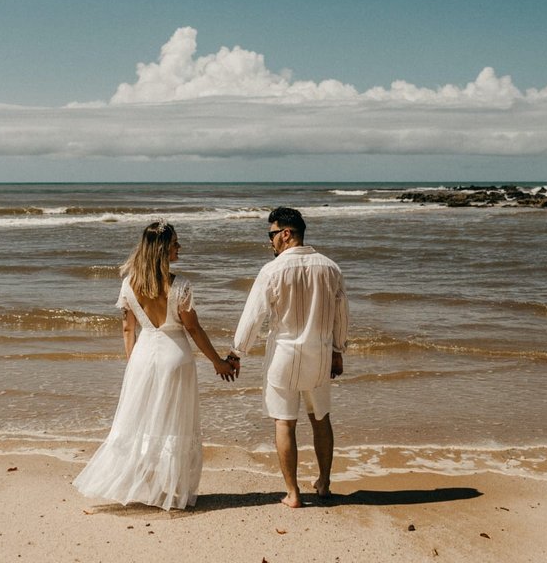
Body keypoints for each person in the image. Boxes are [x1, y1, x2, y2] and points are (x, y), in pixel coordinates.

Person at [73, 220, 236, 511]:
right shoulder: (180, 286)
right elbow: (194, 330)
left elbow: (127, 329)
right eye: (175, 243)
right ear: (162, 249)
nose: (179, 247)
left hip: (142, 357)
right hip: (175, 358)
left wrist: (133, 364)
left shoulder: (129, 285)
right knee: (173, 425)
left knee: (142, 423)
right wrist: (218, 362)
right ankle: (170, 490)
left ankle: (146, 486)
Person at [227, 207, 348, 508]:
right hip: (319, 356)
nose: (270, 242)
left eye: (271, 235)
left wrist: (236, 352)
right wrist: (338, 350)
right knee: (321, 419)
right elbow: (341, 316)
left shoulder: (273, 270)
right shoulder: (331, 268)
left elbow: (253, 315)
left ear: (286, 234)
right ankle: (324, 483)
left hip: (284, 355)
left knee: (285, 423)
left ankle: (293, 493)